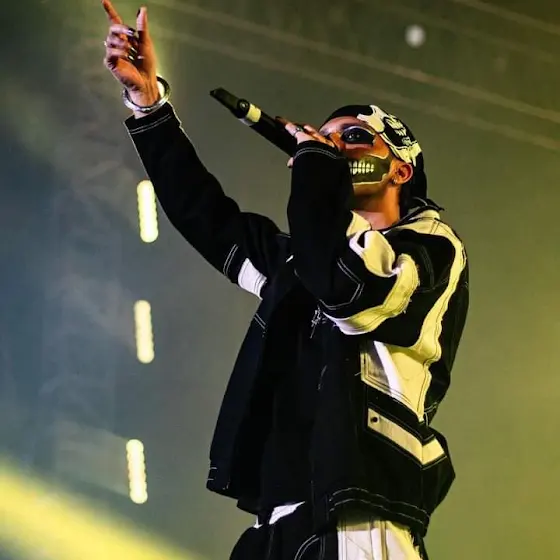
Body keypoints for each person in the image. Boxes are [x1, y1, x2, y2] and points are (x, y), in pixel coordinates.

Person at [101, 2, 469, 558]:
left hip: (361, 516)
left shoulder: (433, 245)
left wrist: (318, 171)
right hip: (276, 522)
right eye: (324, 138)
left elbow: (351, 292)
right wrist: (148, 103)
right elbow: (206, 215)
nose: (331, 145)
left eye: (353, 137)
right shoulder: (302, 260)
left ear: (400, 168)